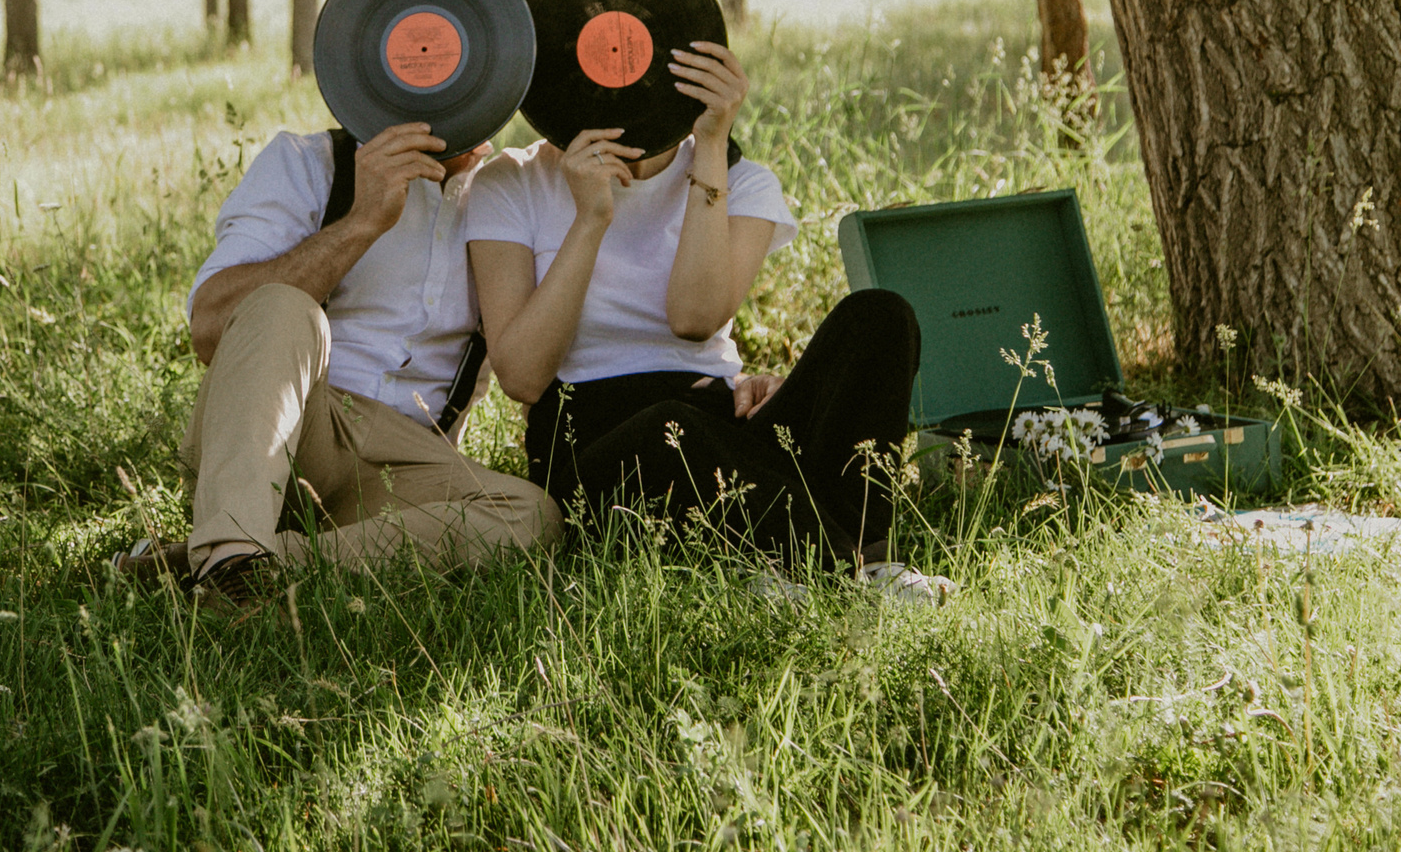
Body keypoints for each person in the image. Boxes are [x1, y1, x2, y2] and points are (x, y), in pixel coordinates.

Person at [466, 41, 949, 598]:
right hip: (591, 443)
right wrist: (591, 217)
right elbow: (522, 378)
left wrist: (712, 146)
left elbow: (694, 318)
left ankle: (835, 553)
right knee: (671, 428)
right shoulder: (512, 180)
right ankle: (845, 571)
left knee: (880, 317)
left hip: (720, 420)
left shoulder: (743, 179)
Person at [115, 121, 559, 602]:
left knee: (531, 515)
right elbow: (209, 329)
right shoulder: (309, 162)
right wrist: (362, 222)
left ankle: (229, 564)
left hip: (403, 463)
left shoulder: (513, 191)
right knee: (282, 304)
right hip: (280, 426)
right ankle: (232, 554)